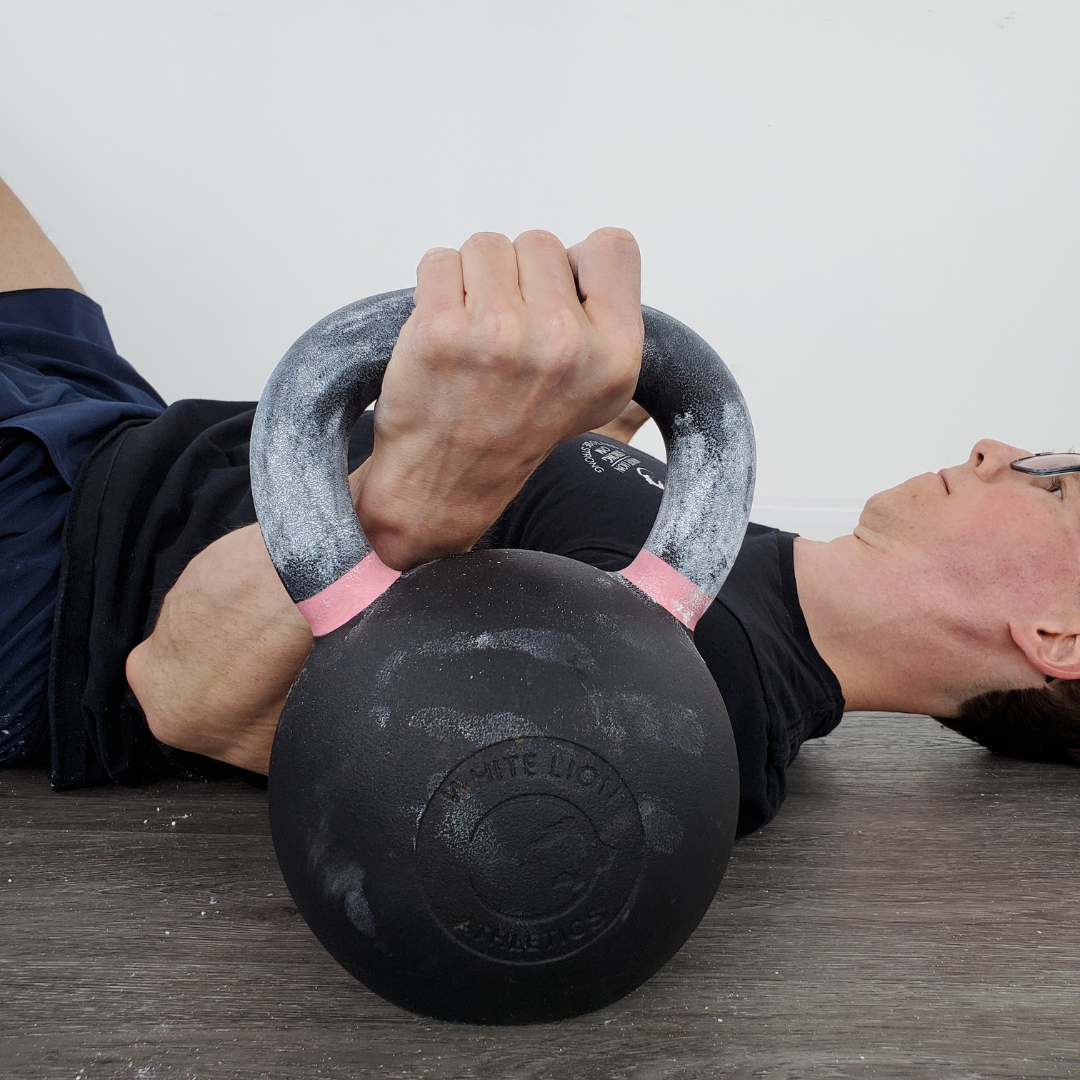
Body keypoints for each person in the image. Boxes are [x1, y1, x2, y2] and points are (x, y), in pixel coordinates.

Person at [2, 178, 1078, 843]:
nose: (997, 449)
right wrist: (578, 421)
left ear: (1059, 636)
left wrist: (414, 498)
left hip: (50, 573)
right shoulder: (728, 541)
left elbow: (186, 695)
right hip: (113, 418)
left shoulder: (707, 709)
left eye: (1055, 479)